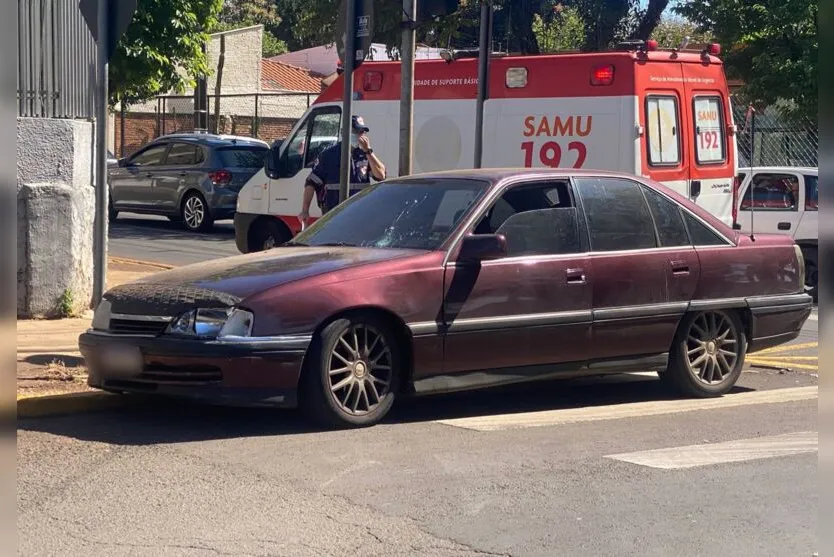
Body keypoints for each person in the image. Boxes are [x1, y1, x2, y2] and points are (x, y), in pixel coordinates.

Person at [299, 115, 386, 226]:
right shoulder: (328, 155)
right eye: (356, 131)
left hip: (360, 213)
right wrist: (305, 210)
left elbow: (381, 175)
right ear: (344, 132)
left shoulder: (365, 155)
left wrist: (368, 151)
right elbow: (311, 183)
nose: (360, 134)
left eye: (363, 131)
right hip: (334, 214)